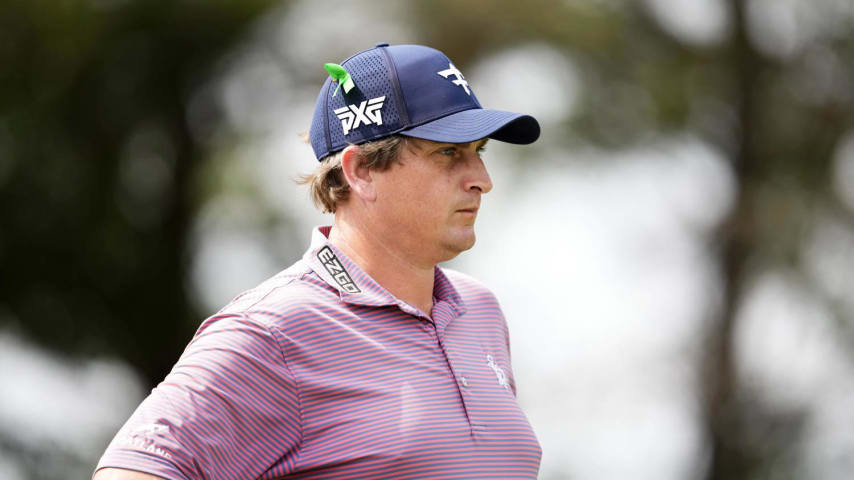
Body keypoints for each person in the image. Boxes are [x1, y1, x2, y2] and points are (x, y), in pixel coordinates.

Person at [94, 43, 542, 480]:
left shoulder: (479, 311)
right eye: (448, 152)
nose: (481, 180)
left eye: (479, 151)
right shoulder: (272, 331)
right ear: (361, 171)